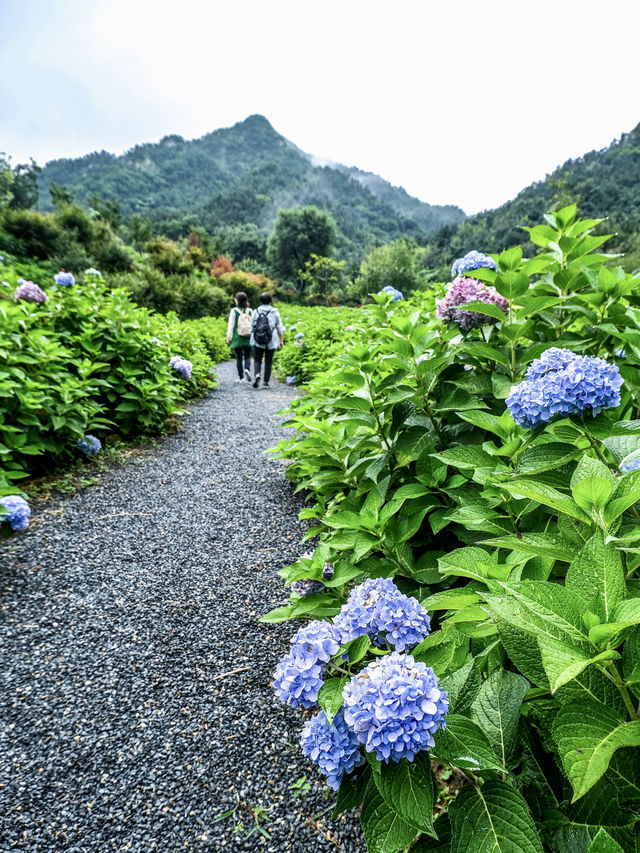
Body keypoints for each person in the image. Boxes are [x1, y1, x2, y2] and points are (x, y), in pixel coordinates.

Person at [250, 292, 284, 389]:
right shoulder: (275, 312)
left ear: (260, 300)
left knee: (257, 359)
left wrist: (253, 336)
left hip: (258, 338)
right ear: (270, 301)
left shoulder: (256, 311)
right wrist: (281, 340)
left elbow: (252, 326)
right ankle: (265, 383)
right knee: (268, 361)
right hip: (271, 338)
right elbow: (279, 327)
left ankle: (257, 374)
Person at [226, 292, 253, 383]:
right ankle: (247, 368)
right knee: (247, 356)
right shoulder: (250, 310)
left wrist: (228, 337)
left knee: (239, 357)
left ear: (237, 300)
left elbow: (231, 325)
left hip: (237, 337)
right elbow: (253, 325)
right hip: (248, 336)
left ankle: (241, 378)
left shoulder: (234, 311)